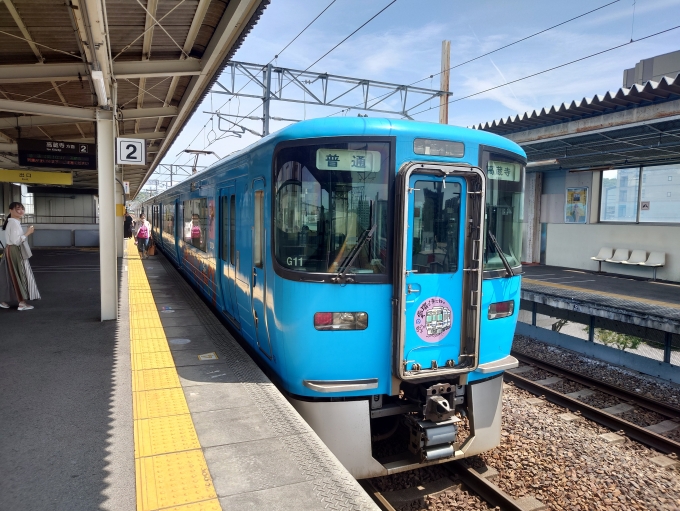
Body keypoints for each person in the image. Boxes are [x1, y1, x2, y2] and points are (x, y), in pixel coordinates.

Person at [0, 202, 40, 311]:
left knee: (9, 274)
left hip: (11, 249)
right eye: (18, 209)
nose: (21, 211)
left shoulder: (13, 222)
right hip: (15, 250)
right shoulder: (14, 223)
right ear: (10, 210)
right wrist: (28, 233)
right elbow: (17, 241)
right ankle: (22, 303)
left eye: (23, 209)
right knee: (20, 274)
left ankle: (4, 300)